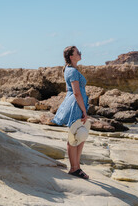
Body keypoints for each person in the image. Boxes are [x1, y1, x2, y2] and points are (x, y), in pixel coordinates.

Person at [51, 46, 90, 179]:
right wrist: (84, 110)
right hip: (76, 105)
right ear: (71, 57)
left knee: (80, 136)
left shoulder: (71, 69)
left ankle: (76, 167)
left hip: (76, 104)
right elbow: (76, 92)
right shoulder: (72, 71)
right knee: (74, 136)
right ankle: (74, 168)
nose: (80, 53)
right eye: (77, 52)